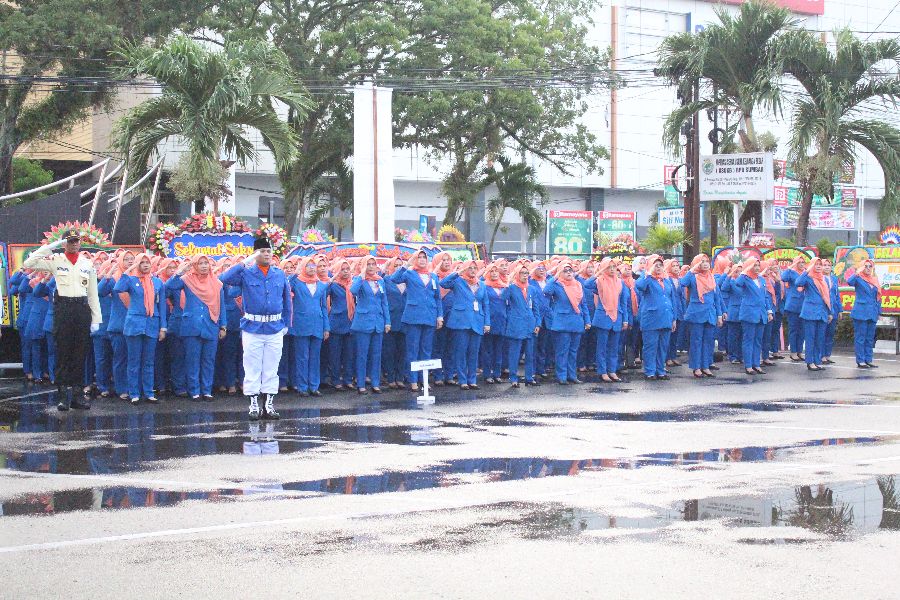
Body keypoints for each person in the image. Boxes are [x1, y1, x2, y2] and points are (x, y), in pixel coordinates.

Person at [23, 233, 102, 411]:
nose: (74, 245)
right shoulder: (56, 260)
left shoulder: (86, 263)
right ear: (64, 244)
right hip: (63, 308)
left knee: (79, 353)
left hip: (81, 309)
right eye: (70, 242)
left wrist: (96, 319)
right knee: (63, 352)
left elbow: (92, 293)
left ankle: (76, 396)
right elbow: (28, 263)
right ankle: (62, 397)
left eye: (76, 241)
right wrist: (52, 246)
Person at [220, 238, 293, 420]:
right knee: (252, 367)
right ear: (255, 254)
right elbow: (225, 278)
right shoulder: (246, 273)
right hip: (252, 327)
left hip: (274, 326)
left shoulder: (278, 274)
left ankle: (268, 405)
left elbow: (287, 301)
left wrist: (286, 324)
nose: (266, 254)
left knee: (271, 367)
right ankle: (253, 405)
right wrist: (245, 261)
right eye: (262, 251)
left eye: (268, 251)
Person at [166, 256, 226, 401]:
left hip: (211, 325)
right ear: (195, 265)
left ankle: (206, 390)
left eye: (206, 263)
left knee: (208, 360)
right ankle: (194, 391)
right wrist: (179, 272)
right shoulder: (187, 280)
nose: (204, 266)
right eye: (200, 263)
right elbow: (169, 287)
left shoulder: (217, 283)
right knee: (192, 360)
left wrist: (223, 326)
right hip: (191, 326)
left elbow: (221, 305)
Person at [114, 253, 167, 404]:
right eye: (141, 262)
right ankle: (134, 393)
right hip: (134, 325)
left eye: (147, 262)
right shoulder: (131, 280)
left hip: (152, 324)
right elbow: (118, 288)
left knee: (149, 361)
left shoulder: (157, 282)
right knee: (134, 360)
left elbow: (161, 306)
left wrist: (163, 327)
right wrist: (128, 270)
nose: (145, 265)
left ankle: (149, 392)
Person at [389, 250, 443, 392]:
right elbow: (394, 279)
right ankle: (413, 381)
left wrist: (439, 316)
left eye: (424, 257)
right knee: (412, 349)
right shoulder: (410, 273)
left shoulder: (433, 276)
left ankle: (423, 380)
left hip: (429, 316)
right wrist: (406, 264)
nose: (421, 259)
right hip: (413, 316)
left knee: (426, 350)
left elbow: (437, 298)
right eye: (419, 257)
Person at [440, 260, 490, 390]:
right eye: (470, 268)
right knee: (461, 351)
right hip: (461, 321)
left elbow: (485, 304)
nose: (472, 270)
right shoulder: (458, 281)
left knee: (473, 352)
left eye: (475, 268)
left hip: (477, 321)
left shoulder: (482, 284)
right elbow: (443, 283)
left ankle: (472, 379)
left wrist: (487, 322)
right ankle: (462, 380)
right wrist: (458, 272)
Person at [543, 261, 590, 385]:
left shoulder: (578, 285)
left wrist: (587, 320)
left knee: (573, 351)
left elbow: (583, 304)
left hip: (576, 321)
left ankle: (572, 375)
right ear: (560, 272)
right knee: (562, 351)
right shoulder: (557, 284)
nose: (569, 273)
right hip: (562, 322)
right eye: (565, 270)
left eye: (570, 270)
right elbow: (546, 291)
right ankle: (562, 376)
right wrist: (555, 276)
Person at [289, 256, 330, 396]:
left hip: (317, 324)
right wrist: (296, 272)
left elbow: (324, 307)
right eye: (309, 265)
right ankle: (302, 386)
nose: (312, 268)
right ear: (303, 267)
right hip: (301, 324)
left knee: (315, 357)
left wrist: (326, 327)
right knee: (302, 356)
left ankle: (314, 386)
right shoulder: (297, 282)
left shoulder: (321, 285)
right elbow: (287, 285)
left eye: (314, 265)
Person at [350, 257, 390, 394]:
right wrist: (361, 275)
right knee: (362, 354)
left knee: (376, 354)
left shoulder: (380, 280)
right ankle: (361, 384)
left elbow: (384, 302)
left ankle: (375, 383)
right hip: (363, 322)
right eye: (369, 264)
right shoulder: (359, 279)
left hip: (378, 321)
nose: (371, 267)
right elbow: (353, 291)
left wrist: (387, 321)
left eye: (373, 264)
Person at [680, 254, 722, 378]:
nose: (705, 264)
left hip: (710, 314)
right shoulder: (693, 277)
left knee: (708, 341)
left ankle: (705, 366)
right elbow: (683, 283)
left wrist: (719, 315)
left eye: (707, 261)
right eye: (702, 262)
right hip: (696, 314)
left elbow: (716, 298)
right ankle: (696, 367)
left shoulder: (712, 278)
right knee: (696, 341)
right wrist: (692, 270)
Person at [634, 255, 675, 380]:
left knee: (663, 346)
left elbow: (672, 300)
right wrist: (648, 274)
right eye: (655, 265)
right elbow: (639, 286)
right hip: (651, 318)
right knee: (651, 346)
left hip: (666, 318)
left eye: (660, 265)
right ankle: (650, 371)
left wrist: (673, 318)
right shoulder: (646, 278)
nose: (658, 267)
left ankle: (660, 370)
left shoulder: (667, 281)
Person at [591, 257, 630, 383]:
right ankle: (602, 372)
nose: (612, 269)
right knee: (602, 347)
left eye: (614, 267)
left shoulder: (620, 282)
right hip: (603, 317)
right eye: (609, 267)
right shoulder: (599, 281)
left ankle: (612, 370)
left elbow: (623, 302)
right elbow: (587, 284)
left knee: (614, 347)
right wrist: (598, 273)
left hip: (617, 317)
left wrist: (625, 320)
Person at [503, 261, 541, 388]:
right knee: (515, 353)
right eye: (522, 273)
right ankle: (513, 378)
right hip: (516, 324)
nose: (525, 275)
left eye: (526, 273)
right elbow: (503, 299)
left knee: (530, 353)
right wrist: (507, 284)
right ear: (516, 274)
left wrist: (538, 323)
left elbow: (536, 308)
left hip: (530, 324)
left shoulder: (532, 289)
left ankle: (529, 377)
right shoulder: (512, 288)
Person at [733, 258, 774, 375]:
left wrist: (769, 311)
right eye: (754, 265)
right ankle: (748, 365)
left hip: (761, 313)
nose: (756, 267)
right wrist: (744, 271)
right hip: (749, 313)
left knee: (758, 340)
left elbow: (765, 296)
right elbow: (737, 283)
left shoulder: (761, 279)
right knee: (749, 339)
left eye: (758, 265)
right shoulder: (745, 278)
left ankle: (756, 364)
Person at [794, 257, 832, 372]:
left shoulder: (823, 279)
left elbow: (827, 298)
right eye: (816, 264)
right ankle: (810, 362)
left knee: (820, 338)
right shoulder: (808, 278)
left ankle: (817, 360)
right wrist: (807, 270)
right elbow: (798, 283)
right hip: (810, 312)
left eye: (820, 264)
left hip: (822, 312)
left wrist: (830, 312)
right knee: (810, 338)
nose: (819, 266)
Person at [846, 258, 881, 368]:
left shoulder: (875, 280)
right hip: (861, 312)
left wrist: (878, 312)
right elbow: (849, 281)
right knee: (860, 337)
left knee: (870, 338)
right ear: (861, 267)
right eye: (865, 266)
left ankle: (868, 359)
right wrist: (857, 272)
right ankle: (860, 360)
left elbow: (878, 297)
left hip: (872, 313)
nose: (868, 268)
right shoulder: (858, 278)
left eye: (870, 266)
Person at [381, 257, 407, 388]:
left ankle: (400, 377)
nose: (398, 267)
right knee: (389, 351)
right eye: (395, 265)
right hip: (391, 319)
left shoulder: (406, 280)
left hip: (405, 320)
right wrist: (383, 268)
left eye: (400, 265)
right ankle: (391, 377)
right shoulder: (387, 280)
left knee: (403, 351)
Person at [481, 263, 508, 383]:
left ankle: (497, 373)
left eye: (496, 271)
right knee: (488, 349)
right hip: (489, 322)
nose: (494, 273)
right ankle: (487, 374)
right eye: (491, 271)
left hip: (502, 321)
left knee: (499, 349)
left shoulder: (504, 287)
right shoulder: (484, 286)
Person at [781, 255, 808, 361]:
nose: (801, 264)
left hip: (804, 304)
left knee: (802, 330)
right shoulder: (791, 272)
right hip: (793, 304)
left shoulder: (806, 273)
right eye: (799, 262)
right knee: (794, 329)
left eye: (803, 262)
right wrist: (790, 267)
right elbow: (783, 278)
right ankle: (793, 352)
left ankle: (800, 351)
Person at [664, 259, 684, 368]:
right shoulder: (667, 279)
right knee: (669, 335)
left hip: (679, 309)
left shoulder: (679, 280)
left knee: (675, 336)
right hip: (671, 309)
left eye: (677, 265)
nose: (676, 268)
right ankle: (667, 357)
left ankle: (673, 355)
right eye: (674, 266)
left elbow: (682, 297)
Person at [821, 259, 842, 365]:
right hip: (823, 309)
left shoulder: (834, 279)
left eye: (829, 265)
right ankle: (821, 355)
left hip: (833, 310)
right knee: (822, 333)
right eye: (824, 265)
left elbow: (837, 296)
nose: (827, 267)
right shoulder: (819, 278)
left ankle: (827, 355)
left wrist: (840, 310)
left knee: (830, 333)